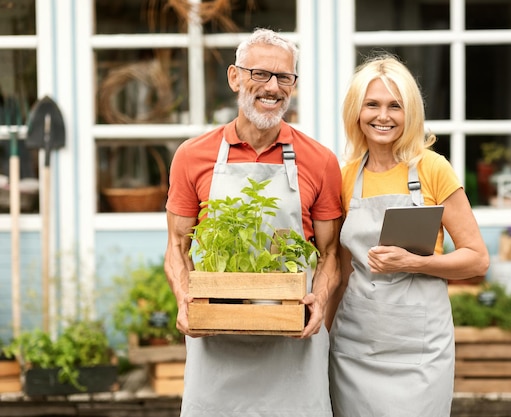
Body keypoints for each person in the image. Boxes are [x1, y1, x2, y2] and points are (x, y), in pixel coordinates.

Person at [164, 28, 342, 417]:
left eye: (284, 77)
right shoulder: (193, 156)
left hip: (293, 337)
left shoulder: (320, 160)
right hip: (218, 338)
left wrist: (320, 299)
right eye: (259, 74)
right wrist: (184, 301)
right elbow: (177, 249)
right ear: (234, 77)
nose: (272, 87)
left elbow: (330, 254)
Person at [326, 55, 490, 417]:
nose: (382, 116)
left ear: (409, 113)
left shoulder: (432, 168)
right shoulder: (345, 177)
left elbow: (477, 258)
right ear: (357, 110)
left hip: (420, 351)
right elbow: (339, 271)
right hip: (356, 346)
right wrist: (321, 336)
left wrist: (416, 262)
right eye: (372, 104)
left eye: (394, 106)